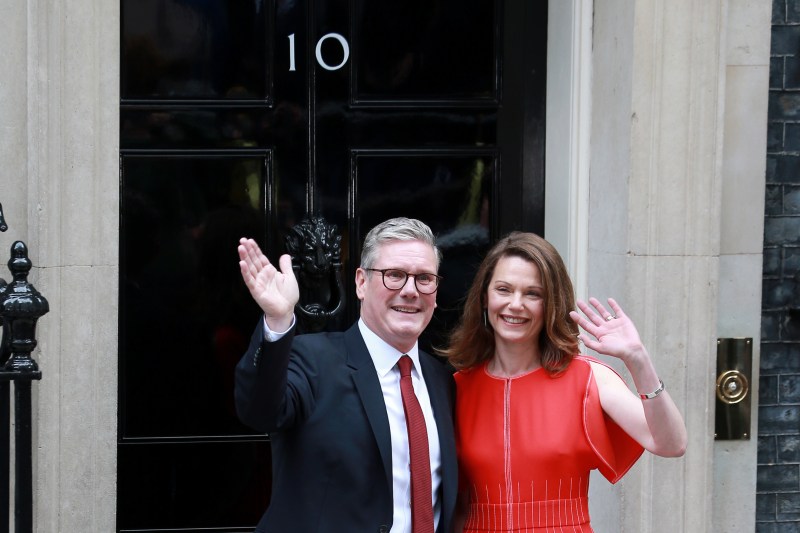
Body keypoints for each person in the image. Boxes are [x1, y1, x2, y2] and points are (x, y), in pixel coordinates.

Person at [440, 231, 687, 532]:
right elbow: (457, 505)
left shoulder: (587, 378)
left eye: (533, 293)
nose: (515, 304)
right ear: (484, 297)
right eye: (504, 289)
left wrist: (638, 359)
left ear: (551, 303)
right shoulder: (456, 388)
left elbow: (671, 443)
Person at [235, 217, 458, 533]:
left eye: (424, 278)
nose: (410, 290)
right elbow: (258, 411)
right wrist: (278, 318)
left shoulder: (442, 382)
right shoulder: (313, 361)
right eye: (394, 275)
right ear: (361, 283)